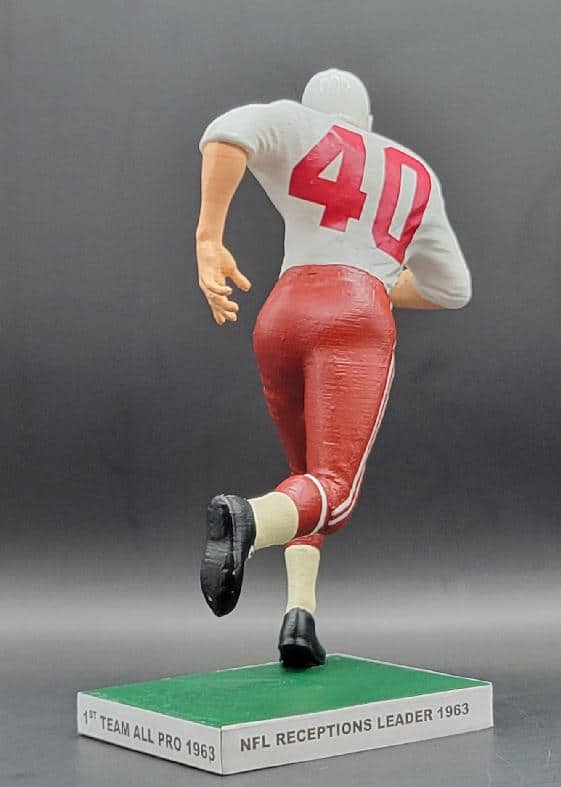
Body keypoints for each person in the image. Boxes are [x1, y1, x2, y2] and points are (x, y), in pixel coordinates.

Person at [195, 69, 471, 668]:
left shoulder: (300, 126)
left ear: (312, 108)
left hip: (281, 313)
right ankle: (247, 519)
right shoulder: (412, 171)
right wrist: (376, 281)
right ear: (366, 122)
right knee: (335, 494)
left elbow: (227, 131)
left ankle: (300, 618)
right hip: (353, 315)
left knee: (307, 481)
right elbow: (451, 289)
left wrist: (208, 236)